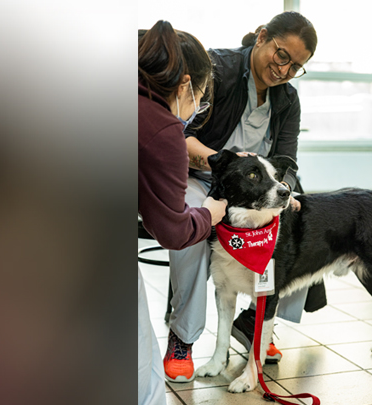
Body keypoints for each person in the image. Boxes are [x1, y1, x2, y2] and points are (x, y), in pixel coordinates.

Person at [164, 11, 327, 383]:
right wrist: (220, 162)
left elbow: (287, 161)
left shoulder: (287, 100)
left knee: (298, 222)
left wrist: (288, 191)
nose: (284, 70)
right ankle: (183, 337)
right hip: (203, 176)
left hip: (254, 191)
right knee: (192, 223)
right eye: (282, 55)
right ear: (263, 37)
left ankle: (255, 321)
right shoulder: (217, 70)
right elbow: (177, 133)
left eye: (296, 66)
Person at [138, 20, 227, 405]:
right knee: (143, 379)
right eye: (202, 96)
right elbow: (172, 231)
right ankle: (182, 340)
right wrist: (209, 213)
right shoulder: (161, 128)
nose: (199, 106)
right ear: (185, 84)